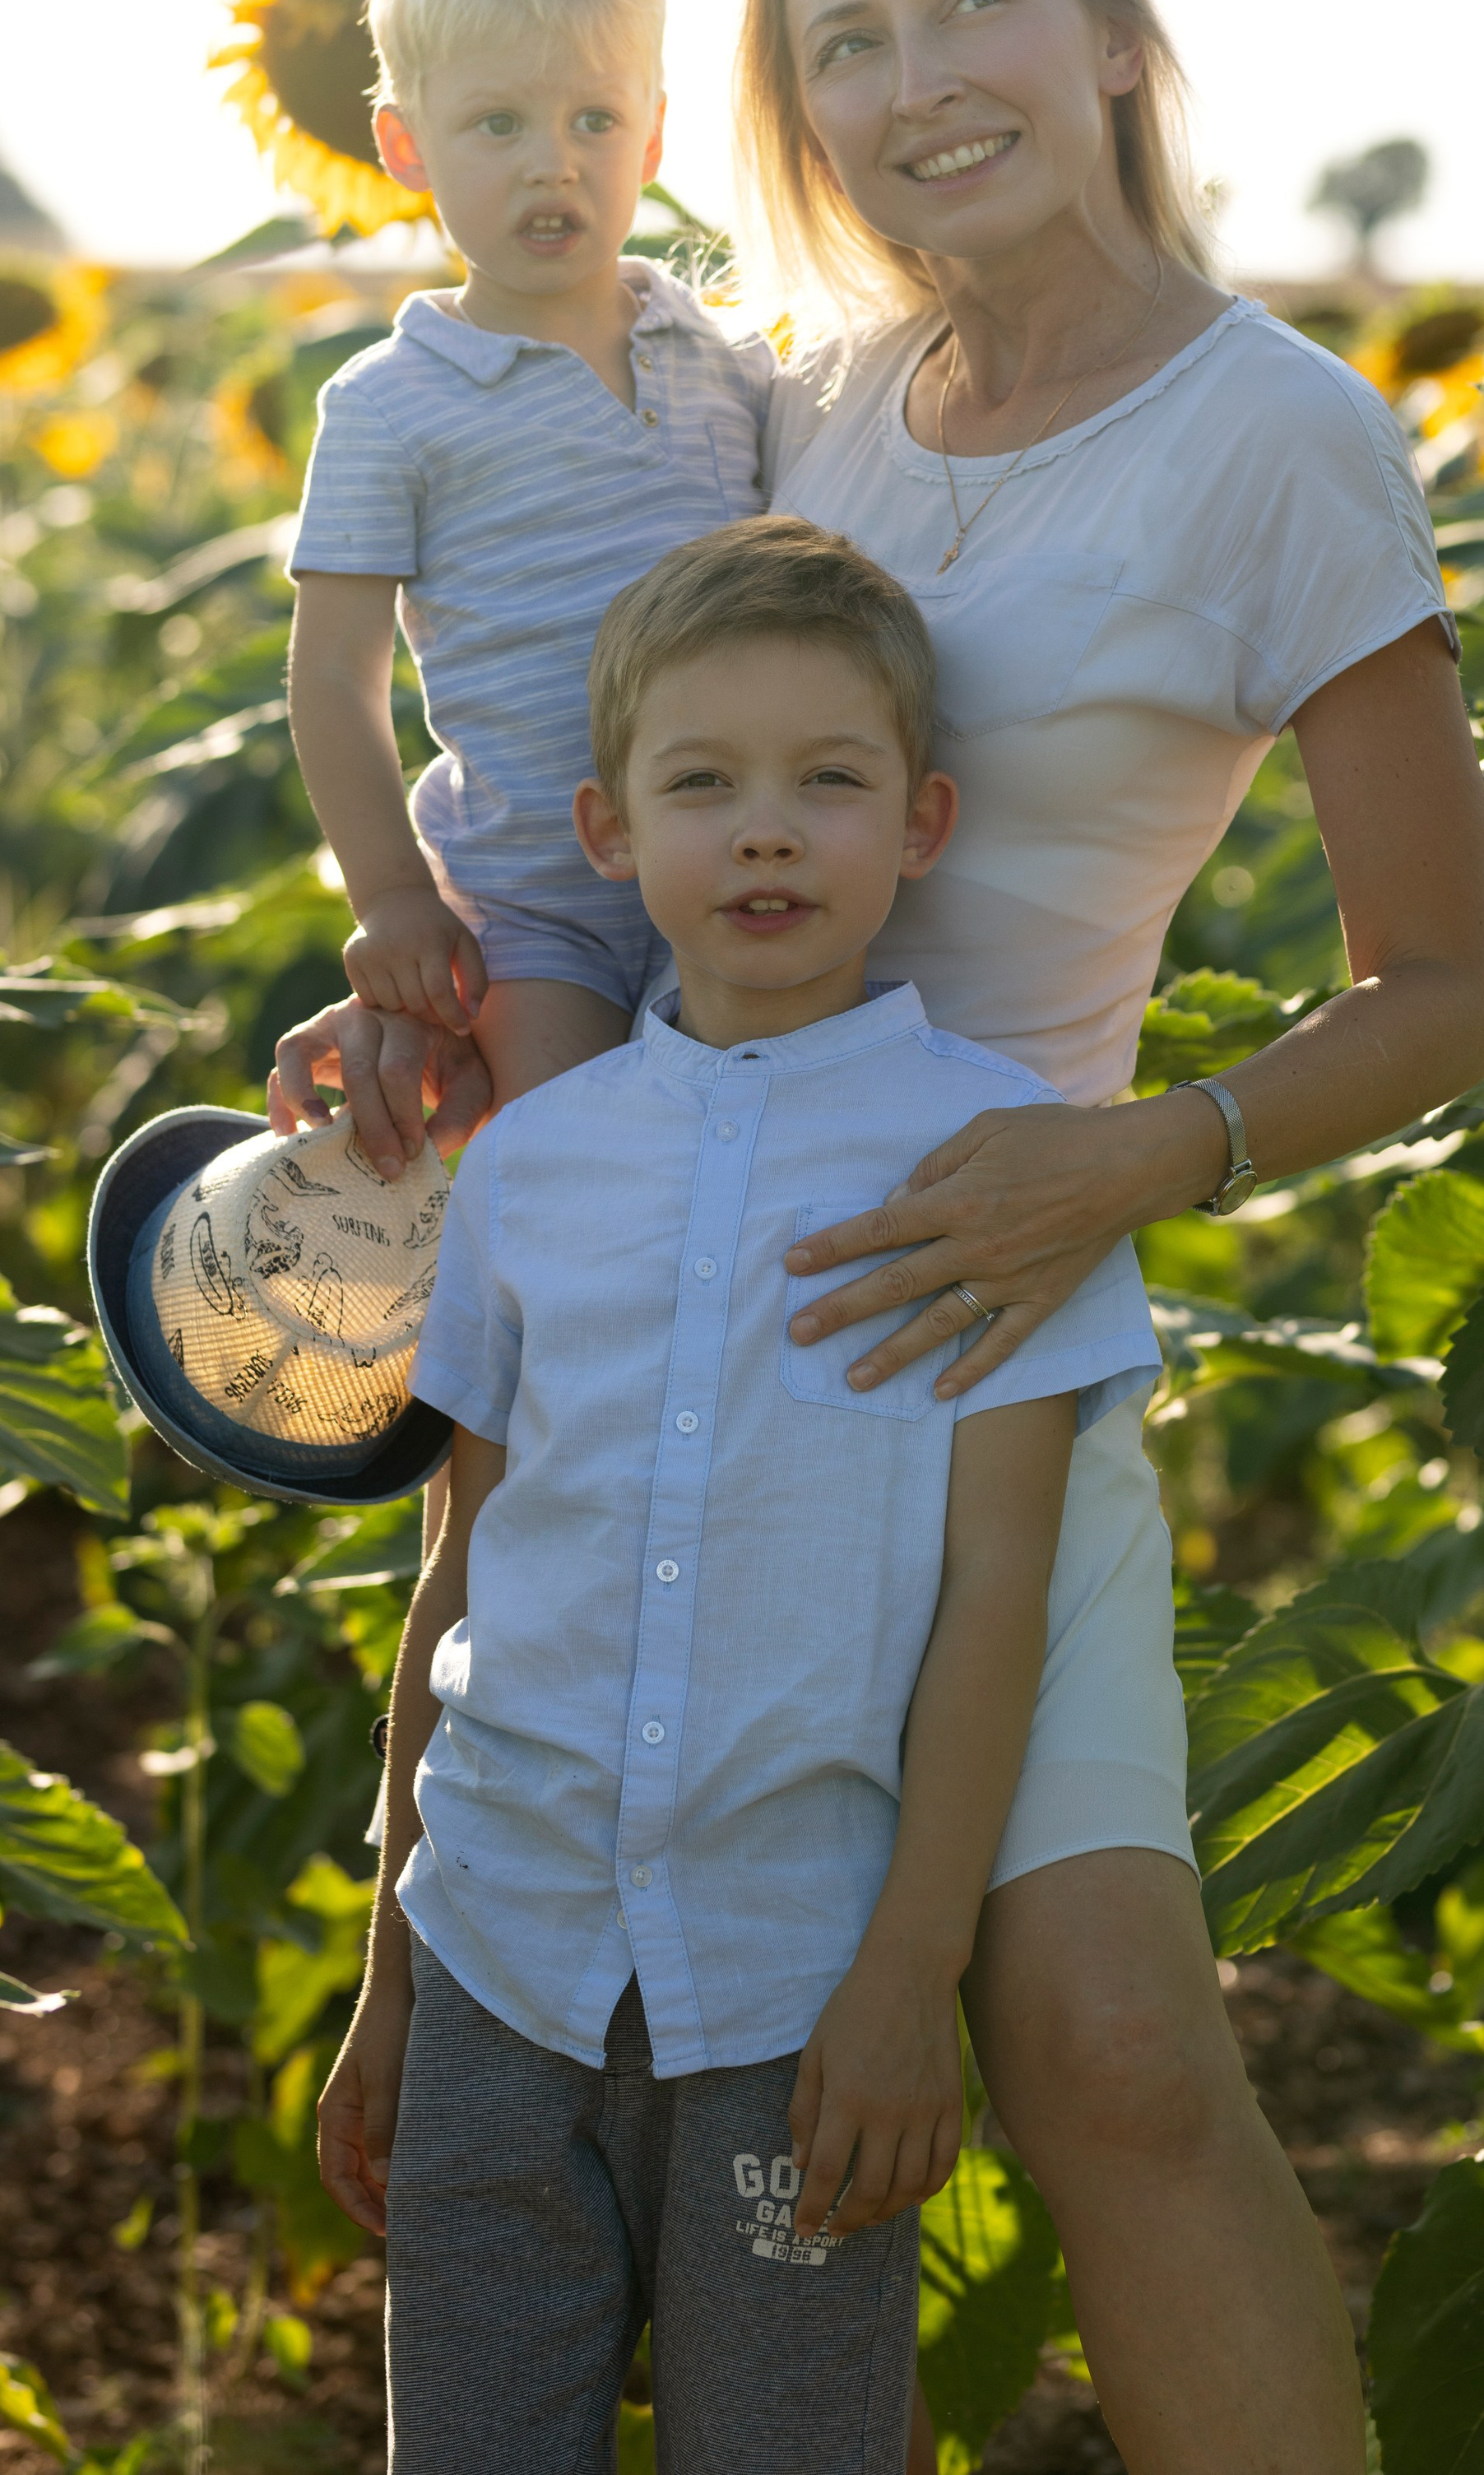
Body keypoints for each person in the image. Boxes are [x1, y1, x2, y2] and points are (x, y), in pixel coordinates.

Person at [277, 0, 1484, 2475]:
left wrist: (1141, 1154)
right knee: (556, 2025)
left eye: (971, 3)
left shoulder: (1280, 436)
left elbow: (1442, 983)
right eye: (843, 38)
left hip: (976, 1322)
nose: (916, 77)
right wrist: (430, 993)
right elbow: (597, 769)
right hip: (661, 1315)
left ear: (1114, 38)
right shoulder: (787, 391)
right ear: (794, 114)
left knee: (1108, 2054)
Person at [315, 520, 1161, 2475]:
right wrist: (388, 1984)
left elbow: (991, 1601)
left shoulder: (991, 1169)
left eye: (827, 781)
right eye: (705, 784)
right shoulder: (532, 1169)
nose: (764, 833)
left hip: (798, 1997)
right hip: (494, 1957)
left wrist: (908, 1974)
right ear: (610, 833)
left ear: (922, 819)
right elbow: (459, 1580)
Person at [285, 0, 775, 1108]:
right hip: (531, 906)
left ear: (654, 140)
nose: (552, 164)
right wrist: (393, 894)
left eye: (594, 120)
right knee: (560, 1172)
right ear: (405, 147)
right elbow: (332, 675)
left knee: (742, 1152)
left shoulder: (724, 354)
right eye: (497, 124)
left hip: (732, 863)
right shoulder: (392, 401)